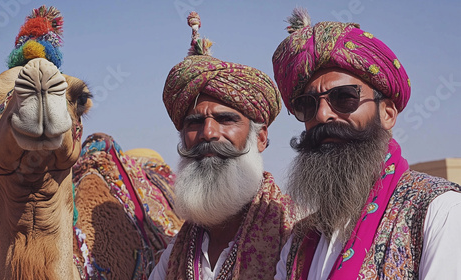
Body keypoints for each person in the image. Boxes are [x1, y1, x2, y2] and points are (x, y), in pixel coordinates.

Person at [272, 8, 461, 280]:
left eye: (344, 97)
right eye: (307, 104)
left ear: (387, 114)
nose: (323, 115)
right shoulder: (299, 242)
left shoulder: (439, 212)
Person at [149, 11, 295, 280]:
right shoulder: (177, 254)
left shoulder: (294, 238)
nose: (208, 133)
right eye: (194, 122)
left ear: (260, 138)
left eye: (226, 119)